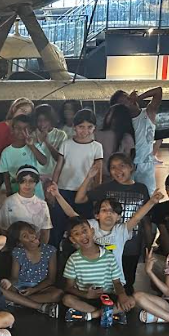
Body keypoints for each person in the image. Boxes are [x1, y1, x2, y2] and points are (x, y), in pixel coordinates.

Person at [54, 170, 163, 294]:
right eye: (104, 210)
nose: (109, 213)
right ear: (97, 215)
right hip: (92, 278)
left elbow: (137, 217)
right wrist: (57, 195)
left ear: (118, 217)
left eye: (113, 211)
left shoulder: (121, 231)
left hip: (114, 282)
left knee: (126, 301)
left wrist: (151, 202)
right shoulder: (92, 226)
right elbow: (72, 214)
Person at [75, 154, 160, 293]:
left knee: (127, 282)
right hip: (109, 244)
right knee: (106, 281)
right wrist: (89, 177)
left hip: (132, 245)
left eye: (122, 165)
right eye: (113, 167)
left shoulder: (141, 189)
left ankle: (124, 302)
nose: (117, 170)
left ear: (131, 167)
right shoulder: (105, 188)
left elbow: (144, 219)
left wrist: (148, 243)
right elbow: (79, 199)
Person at [61, 217, 134, 323]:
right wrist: (86, 294)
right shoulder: (73, 259)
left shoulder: (109, 256)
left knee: (131, 300)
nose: (82, 235)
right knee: (67, 299)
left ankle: (92, 315)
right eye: (77, 234)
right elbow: (68, 287)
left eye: (85, 231)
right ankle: (109, 314)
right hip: (86, 298)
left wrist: (122, 295)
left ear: (92, 231)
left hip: (107, 298)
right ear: (72, 239)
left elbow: (117, 282)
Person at [50, 108, 102, 248]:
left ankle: (82, 254)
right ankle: (56, 254)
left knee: (82, 227)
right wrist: (53, 188)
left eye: (89, 127)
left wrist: (96, 194)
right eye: (81, 127)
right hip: (63, 190)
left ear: (94, 128)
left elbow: (98, 172)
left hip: (84, 193)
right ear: (74, 127)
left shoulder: (97, 147)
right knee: (58, 225)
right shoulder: (66, 144)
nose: (85, 131)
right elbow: (58, 167)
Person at [1, 221, 61, 318]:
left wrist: (34, 289)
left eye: (31, 232)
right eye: (25, 236)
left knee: (58, 294)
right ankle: (22, 301)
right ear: (20, 243)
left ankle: (17, 301)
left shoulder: (50, 250)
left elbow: (51, 279)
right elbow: (14, 277)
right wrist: (8, 282)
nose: (31, 236)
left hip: (41, 288)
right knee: (0, 289)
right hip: (20, 288)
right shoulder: (18, 252)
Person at [111, 87, 162, 195]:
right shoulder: (122, 123)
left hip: (146, 165)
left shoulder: (148, 113)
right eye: (124, 102)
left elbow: (158, 91)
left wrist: (140, 97)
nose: (129, 101)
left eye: (127, 97)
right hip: (127, 165)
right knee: (128, 195)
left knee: (149, 194)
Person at [0, 166, 52, 243]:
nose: (27, 184)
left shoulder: (42, 204)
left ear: (36, 182)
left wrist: (41, 248)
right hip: (14, 244)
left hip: (34, 244)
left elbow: (45, 231)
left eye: (31, 181)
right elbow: (3, 228)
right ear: (18, 182)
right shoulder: (9, 202)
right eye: (23, 181)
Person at [0, 114, 47, 198]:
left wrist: (31, 146)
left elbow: (44, 161)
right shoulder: (6, 152)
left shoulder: (34, 146)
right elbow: (6, 175)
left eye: (25, 128)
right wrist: (9, 192)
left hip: (36, 192)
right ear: (12, 130)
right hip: (17, 192)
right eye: (18, 128)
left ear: (30, 130)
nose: (21, 131)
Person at [0, 97, 34, 168]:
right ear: (14, 109)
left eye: (28, 114)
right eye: (23, 111)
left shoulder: (28, 130)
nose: (24, 115)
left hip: (21, 166)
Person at [95, 104, 135, 180]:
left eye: (110, 114)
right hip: (119, 176)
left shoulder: (97, 134)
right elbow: (128, 159)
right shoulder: (127, 137)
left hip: (101, 176)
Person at [32, 103, 67, 186]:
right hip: (36, 175)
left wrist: (46, 142)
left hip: (55, 175)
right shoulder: (32, 135)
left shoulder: (61, 135)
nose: (42, 124)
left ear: (51, 120)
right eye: (39, 120)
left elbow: (59, 158)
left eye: (45, 120)